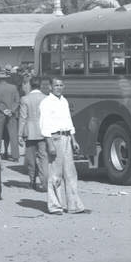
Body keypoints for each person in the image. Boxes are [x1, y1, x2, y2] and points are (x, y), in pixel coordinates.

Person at [39, 77, 87, 215]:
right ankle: (55, 205)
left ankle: (74, 205)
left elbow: (68, 121)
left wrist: (74, 139)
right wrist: (50, 144)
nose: (58, 87)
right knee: (55, 174)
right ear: (50, 87)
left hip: (66, 137)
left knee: (71, 173)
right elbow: (44, 124)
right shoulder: (46, 103)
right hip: (55, 138)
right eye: (56, 85)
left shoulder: (64, 101)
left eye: (61, 85)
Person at [17, 76, 48, 191]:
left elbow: (23, 118)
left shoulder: (25, 99)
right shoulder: (46, 98)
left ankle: (32, 181)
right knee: (43, 158)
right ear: (40, 85)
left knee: (30, 158)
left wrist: (19, 134)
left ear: (30, 85)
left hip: (29, 132)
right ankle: (45, 182)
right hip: (43, 131)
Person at [0, 71, 20, 160]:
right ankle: (15, 156)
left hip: (0, 113)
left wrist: (3, 110)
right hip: (12, 113)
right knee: (13, 135)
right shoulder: (13, 87)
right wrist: (11, 110)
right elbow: (17, 101)